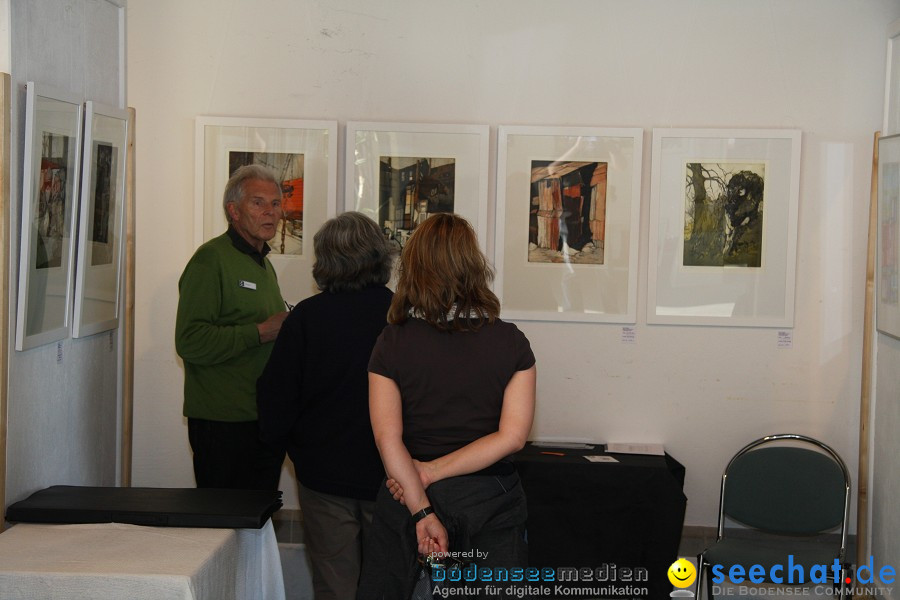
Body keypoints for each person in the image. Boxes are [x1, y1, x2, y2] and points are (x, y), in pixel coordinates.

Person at [357, 213, 537, 599]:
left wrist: (422, 503)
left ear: (414, 269)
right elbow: (512, 437)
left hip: (407, 498)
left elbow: (388, 438)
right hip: (490, 499)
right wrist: (428, 474)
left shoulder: (392, 342)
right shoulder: (511, 343)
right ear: (473, 267)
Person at [256, 211, 394, 600]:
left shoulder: (306, 318)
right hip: (390, 477)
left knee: (335, 585)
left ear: (325, 262)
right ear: (380, 257)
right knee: (387, 583)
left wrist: (282, 448)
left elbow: (277, 395)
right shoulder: (401, 316)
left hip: (323, 475)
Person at [175, 164, 289, 490]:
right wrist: (260, 332)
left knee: (256, 522)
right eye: (258, 203)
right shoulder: (210, 260)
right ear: (233, 211)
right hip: (222, 423)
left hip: (260, 417)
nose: (270, 212)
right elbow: (190, 341)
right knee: (224, 526)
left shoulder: (264, 264)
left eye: (276, 204)